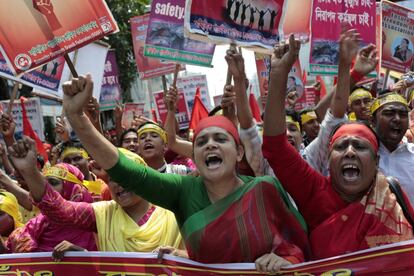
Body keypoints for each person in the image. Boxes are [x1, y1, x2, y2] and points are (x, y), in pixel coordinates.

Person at [61, 75, 310, 273]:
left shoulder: (264, 189)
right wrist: (77, 117)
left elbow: (299, 243)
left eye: (220, 139)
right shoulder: (183, 190)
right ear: (195, 157)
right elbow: (128, 173)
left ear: (239, 153)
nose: (210, 145)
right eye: (201, 142)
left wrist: (286, 259)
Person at [263, 30, 414, 260]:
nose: (350, 152)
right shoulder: (314, 191)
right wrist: (279, 74)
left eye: (360, 147)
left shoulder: (391, 199)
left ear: (376, 163)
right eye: (341, 147)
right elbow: (276, 148)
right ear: (328, 158)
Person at [7, 143, 183, 258]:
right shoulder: (102, 212)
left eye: (127, 177)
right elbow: (60, 210)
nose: (118, 185)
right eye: (113, 179)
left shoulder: (175, 209)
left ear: (144, 177)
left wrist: (180, 255)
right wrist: (29, 171)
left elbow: (205, 254)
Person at [5, 163, 97, 253]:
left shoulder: (94, 218)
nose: (47, 188)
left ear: (73, 189)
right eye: (45, 183)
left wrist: (81, 252)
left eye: (53, 183)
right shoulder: (39, 223)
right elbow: (8, 254)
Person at [371, 92, 414, 203]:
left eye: (403, 114)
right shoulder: (361, 154)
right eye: (389, 113)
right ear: (373, 121)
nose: (397, 119)